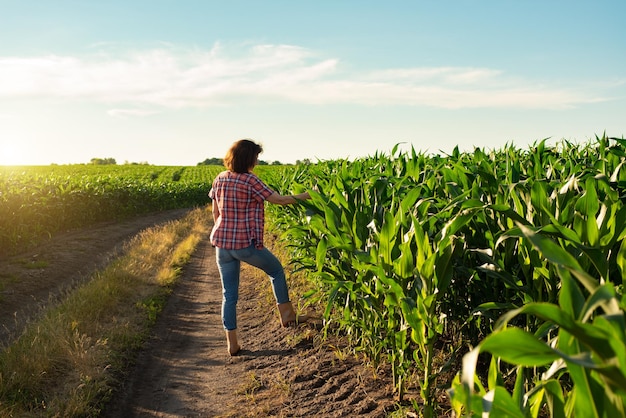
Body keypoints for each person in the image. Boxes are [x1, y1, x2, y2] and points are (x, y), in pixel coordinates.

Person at [208, 139, 311, 356]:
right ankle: (287, 316)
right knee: (275, 271)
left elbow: (215, 213)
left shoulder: (220, 179)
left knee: (229, 295)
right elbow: (279, 200)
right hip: (244, 243)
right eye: (256, 157)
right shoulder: (250, 181)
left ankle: (232, 344)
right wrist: (308, 195)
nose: (257, 160)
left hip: (222, 244)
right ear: (249, 158)